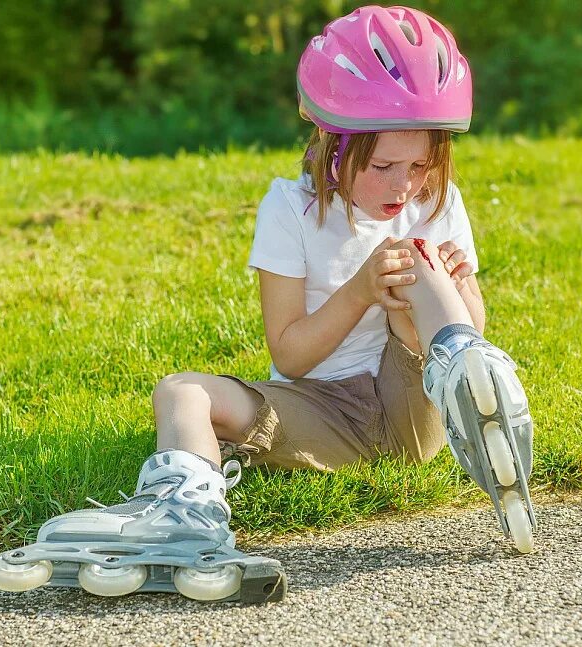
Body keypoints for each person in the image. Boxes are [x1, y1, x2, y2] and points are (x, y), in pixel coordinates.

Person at [149, 5, 537, 553]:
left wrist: (454, 287)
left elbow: (475, 317)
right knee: (179, 390)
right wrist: (359, 291)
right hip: (320, 410)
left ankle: (473, 391)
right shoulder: (289, 209)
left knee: (414, 260)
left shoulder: (436, 200)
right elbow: (289, 357)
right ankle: (183, 513)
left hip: (415, 401)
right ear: (334, 149)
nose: (405, 186)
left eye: (422, 165)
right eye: (383, 167)